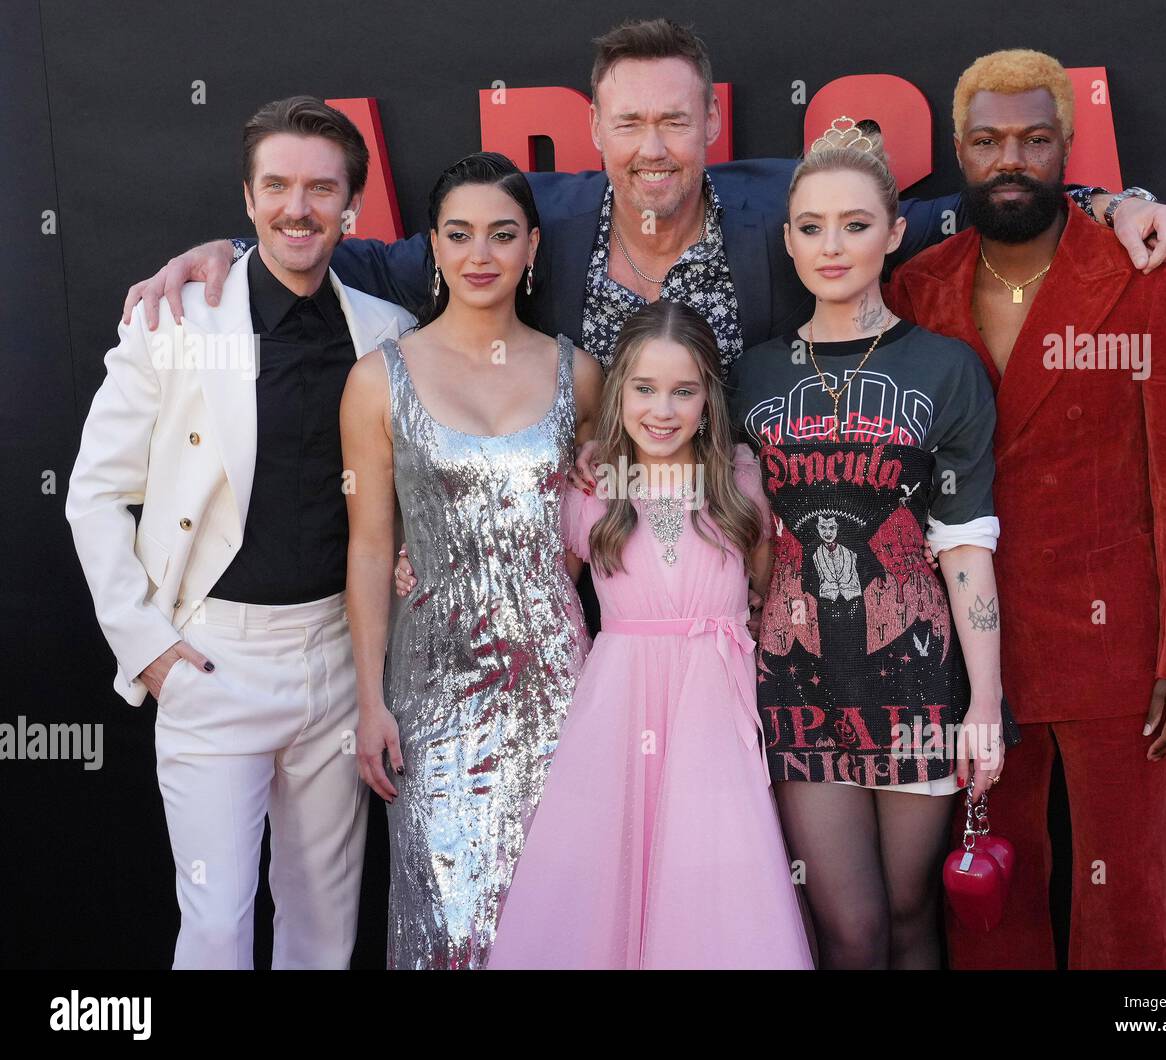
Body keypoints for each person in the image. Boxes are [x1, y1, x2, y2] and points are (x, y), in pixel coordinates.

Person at [122, 20, 1166, 375]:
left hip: (753, 568)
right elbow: (363, 257)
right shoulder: (536, 221)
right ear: (594, 130)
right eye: (629, 123)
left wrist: (1111, 201)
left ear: (712, 125)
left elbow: (955, 213)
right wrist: (231, 249)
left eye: (673, 121)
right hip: (588, 578)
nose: (652, 149)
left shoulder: (786, 207)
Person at [885, 49, 1166, 969]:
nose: (1011, 159)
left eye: (1035, 139)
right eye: (989, 141)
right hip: (968, 652)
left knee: (1131, 897)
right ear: (959, 150)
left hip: (1116, 646)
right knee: (990, 895)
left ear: (1066, 150)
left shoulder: (1145, 272)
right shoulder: (915, 287)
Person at [65, 96, 415, 968]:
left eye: (321, 188)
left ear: (352, 204)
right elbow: (94, 493)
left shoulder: (390, 334)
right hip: (212, 660)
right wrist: (145, 644)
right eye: (278, 186)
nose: (299, 207)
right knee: (217, 926)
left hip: (339, 657)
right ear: (249, 198)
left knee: (324, 928)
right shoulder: (174, 322)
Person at [726, 116, 1008, 970]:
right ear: (787, 240)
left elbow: (964, 546)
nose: (832, 245)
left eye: (855, 224)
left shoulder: (945, 369)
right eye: (811, 226)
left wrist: (984, 705)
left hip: (915, 675)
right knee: (848, 928)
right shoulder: (751, 374)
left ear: (893, 233)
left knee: (913, 912)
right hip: (796, 682)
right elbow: (718, 519)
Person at [488, 299, 813, 969]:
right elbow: (542, 594)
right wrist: (414, 561)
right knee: (608, 873)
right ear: (618, 393)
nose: (662, 410)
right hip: (617, 712)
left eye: (683, 391)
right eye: (643, 388)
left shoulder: (739, 483)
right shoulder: (591, 489)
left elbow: (764, 595)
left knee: (712, 874)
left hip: (714, 710)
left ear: (708, 399)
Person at [340, 151, 603, 969]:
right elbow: (370, 545)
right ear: (433, 246)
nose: (479, 254)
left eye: (502, 234)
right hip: (432, 692)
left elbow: (594, 524)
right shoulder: (378, 380)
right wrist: (370, 700)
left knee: (558, 919)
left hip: (558, 686)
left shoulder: (581, 374)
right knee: (448, 928)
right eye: (458, 235)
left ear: (532, 247)